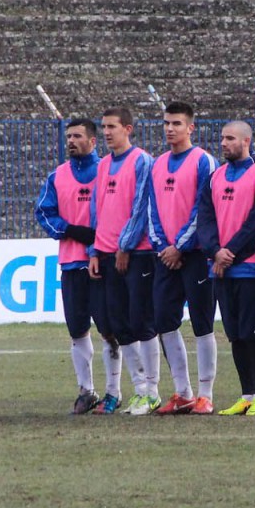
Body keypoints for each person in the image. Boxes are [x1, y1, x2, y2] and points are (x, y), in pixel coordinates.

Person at [35, 117, 124, 415]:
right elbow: (44, 213)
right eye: (69, 136)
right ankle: (86, 390)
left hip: (104, 262)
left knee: (109, 330)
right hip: (72, 264)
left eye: (77, 136)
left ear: (93, 141)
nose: (71, 141)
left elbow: (118, 210)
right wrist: (72, 230)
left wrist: (98, 239)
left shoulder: (107, 170)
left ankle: (114, 392)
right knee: (77, 330)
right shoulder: (57, 176)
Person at [197, 120, 255, 416]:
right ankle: (246, 395)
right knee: (236, 335)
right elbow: (205, 219)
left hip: (250, 268)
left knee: (254, 333)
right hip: (221, 268)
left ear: (246, 141)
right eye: (222, 138)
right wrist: (215, 252)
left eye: (230, 138)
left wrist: (229, 254)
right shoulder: (215, 177)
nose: (224, 143)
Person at [87, 106, 160, 416]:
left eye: (112, 127)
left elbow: (141, 207)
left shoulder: (142, 161)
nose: (106, 132)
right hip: (106, 255)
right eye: (103, 127)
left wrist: (125, 246)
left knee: (141, 322)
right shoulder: (103, 165)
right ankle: (139, 390)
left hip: (136, 253)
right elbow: (97, 209)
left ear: (128, 129)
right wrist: (94, 250)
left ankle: (152, 392)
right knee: (119, 325)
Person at [147, 102, 218, 415]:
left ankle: (206, 394)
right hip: (166, 257)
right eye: (166, 123)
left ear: (191, 128)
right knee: (164, 320)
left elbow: (204, 208)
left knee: (202, 323)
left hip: (196, 255)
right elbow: (152, 209)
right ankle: (183, 392)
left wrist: (181, 246)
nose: (170, 128)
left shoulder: (204, 161)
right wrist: (164, 246)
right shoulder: (158, 164)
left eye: (176, 123)